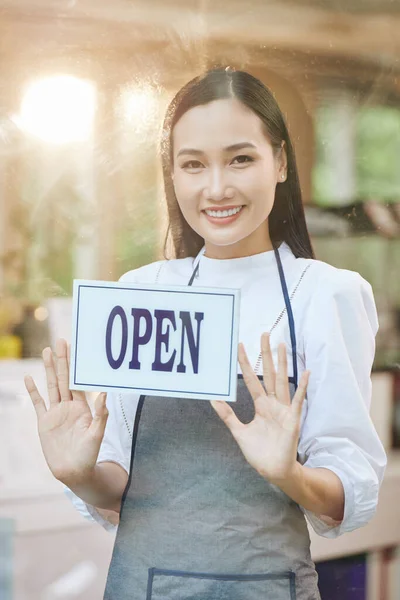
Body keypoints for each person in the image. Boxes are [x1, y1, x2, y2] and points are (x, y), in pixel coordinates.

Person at [25, 68, 387, 600]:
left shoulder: (326, 294)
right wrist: (78, 473)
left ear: (281, 162)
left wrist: (288, 474)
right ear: (172, 176)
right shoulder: (140, 291)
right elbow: (118, 484)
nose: (216, 188)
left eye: (241, 158)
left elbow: (346, 494)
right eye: (192, 165)